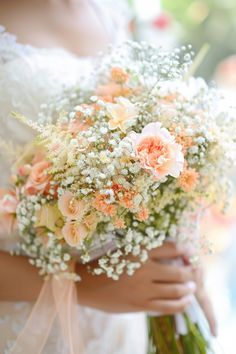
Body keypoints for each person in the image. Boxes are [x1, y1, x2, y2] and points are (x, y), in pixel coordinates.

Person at [0, 1, 216, 353]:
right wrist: (84, 286)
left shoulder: (111, 10)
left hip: (124, 322)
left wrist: (180, 250)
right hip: (32, 323)